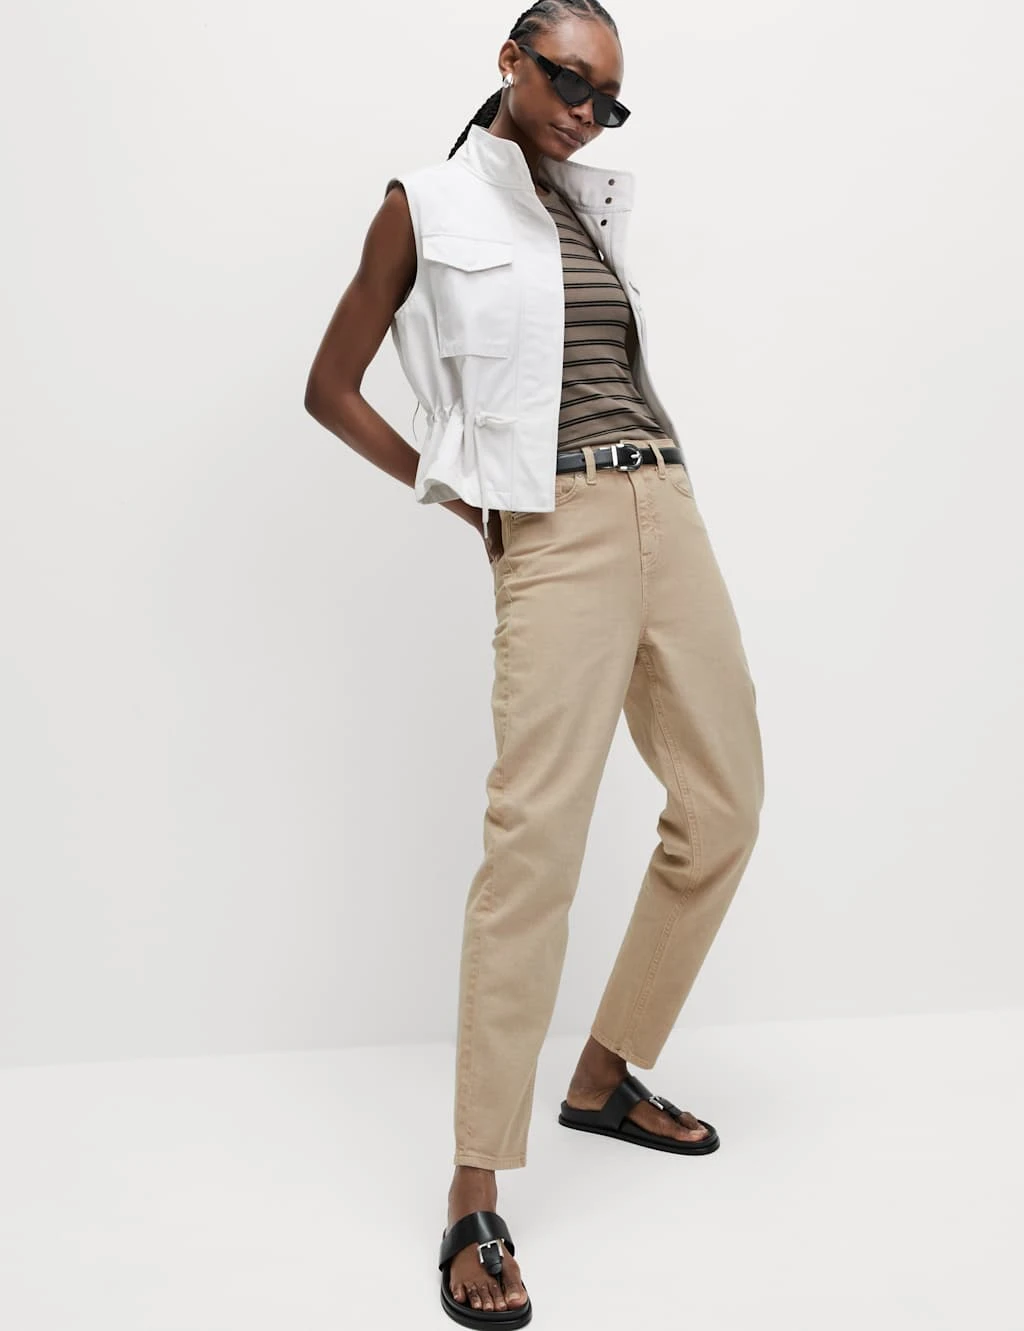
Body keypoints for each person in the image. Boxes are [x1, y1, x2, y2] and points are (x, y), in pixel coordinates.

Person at [304, 3, 764, 1324]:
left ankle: (603, 1075)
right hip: (552, 527)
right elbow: (331, 385)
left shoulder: (584, 205)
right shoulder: (427, 205)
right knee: (534, 853)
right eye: (569, 81)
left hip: (663, 502)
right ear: (509, 60)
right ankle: (474, 1187)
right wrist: (461, 495)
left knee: (724, 805)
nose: (586, 112)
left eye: (609, 99)